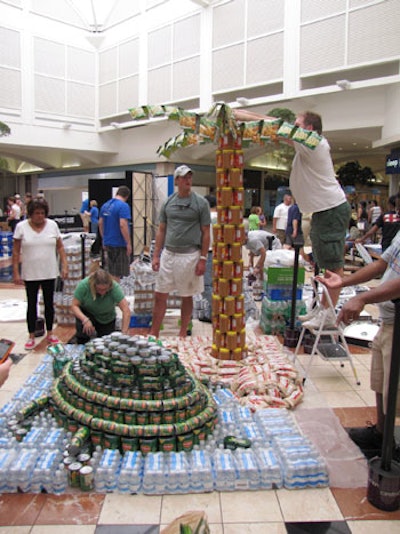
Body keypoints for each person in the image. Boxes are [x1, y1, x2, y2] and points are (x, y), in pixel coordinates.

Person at [235, 110, 351, 327]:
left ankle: (327, 316)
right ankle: (321, 309)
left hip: (331, 209)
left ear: (308, 129)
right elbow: (281, 132)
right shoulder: (306, 144)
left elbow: (279, 127)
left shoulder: (315, 142)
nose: (293, 127)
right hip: (323, 211)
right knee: (324, 262)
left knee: (333, 265)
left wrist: (244, 115)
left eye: (297, 124)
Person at [318, 232, 400, 458]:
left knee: (396, 390)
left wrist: (363, 298)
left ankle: (392, 454)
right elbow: (381, 266)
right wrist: (343, 282)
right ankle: (381, 436)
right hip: (388, 322)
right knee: (380, 382)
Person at [149, 165, 210, 338]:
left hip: (190, 255)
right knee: (160, 294)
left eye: (190, 177)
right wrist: (156, 255)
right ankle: (154, 333)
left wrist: (203, 258)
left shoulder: (200, 203)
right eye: (184, 177)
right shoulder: (169, 202)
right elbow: (161, 230)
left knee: (186, 295)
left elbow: (206, 232)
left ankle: (183, 332)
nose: (188, 180)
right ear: (176, 180)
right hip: (169, 254)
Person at [12, 198, 68, 350]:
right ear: (30, 214)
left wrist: (65, 266)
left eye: (42, 213)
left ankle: (50, 333)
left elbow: (61, 248)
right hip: (30, 273)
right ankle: (31, 335)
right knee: (32, 304)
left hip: (49, 271)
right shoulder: (21, 227)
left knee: (49, 303)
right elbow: (16, 251)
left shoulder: (52, 226)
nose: (40, 216)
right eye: (37, 213)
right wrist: (16, 272)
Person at [70, 266, 131, 343]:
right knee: (83, 336)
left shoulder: (115, 287)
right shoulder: (84, 285)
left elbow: (126, 310)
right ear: (93, 284)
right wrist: (85, 320)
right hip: (88, 314)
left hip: (106, 317)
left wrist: (124, 333)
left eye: (105, 289)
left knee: (107, 341)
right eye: (99, 289)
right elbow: (74, 305)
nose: (103, 292)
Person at [99, 186, 132, 282]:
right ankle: (115, 294)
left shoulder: (105, 205)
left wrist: (104, 239)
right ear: (126, 196)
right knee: (117, 273)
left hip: (108, 242)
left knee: (110, 271)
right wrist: (128, 243)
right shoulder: (123, 206)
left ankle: (109, 291)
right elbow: (123, 224)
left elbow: (100, 223)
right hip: (119, 243)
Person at [200, 194, 217, 323]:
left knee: (206, 285)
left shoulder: (207, 218)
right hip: (219, 254)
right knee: (213, 283)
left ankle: (216, 313)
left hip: (208, 252)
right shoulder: (220, 218)